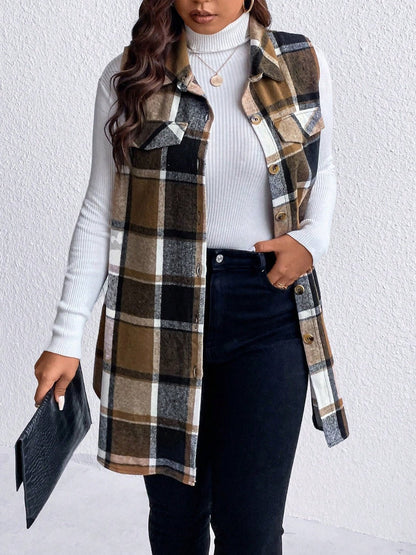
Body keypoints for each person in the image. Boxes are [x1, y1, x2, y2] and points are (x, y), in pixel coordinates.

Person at [34, 0, 349, 552]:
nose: (202, 3)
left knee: (251, 528)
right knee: (177, 521)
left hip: (266, 309)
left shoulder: (302, 61)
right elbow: (100, 207)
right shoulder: (131, 73)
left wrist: (310, 241)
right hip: (158, 312)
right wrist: (65, 337)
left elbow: (324, 169)